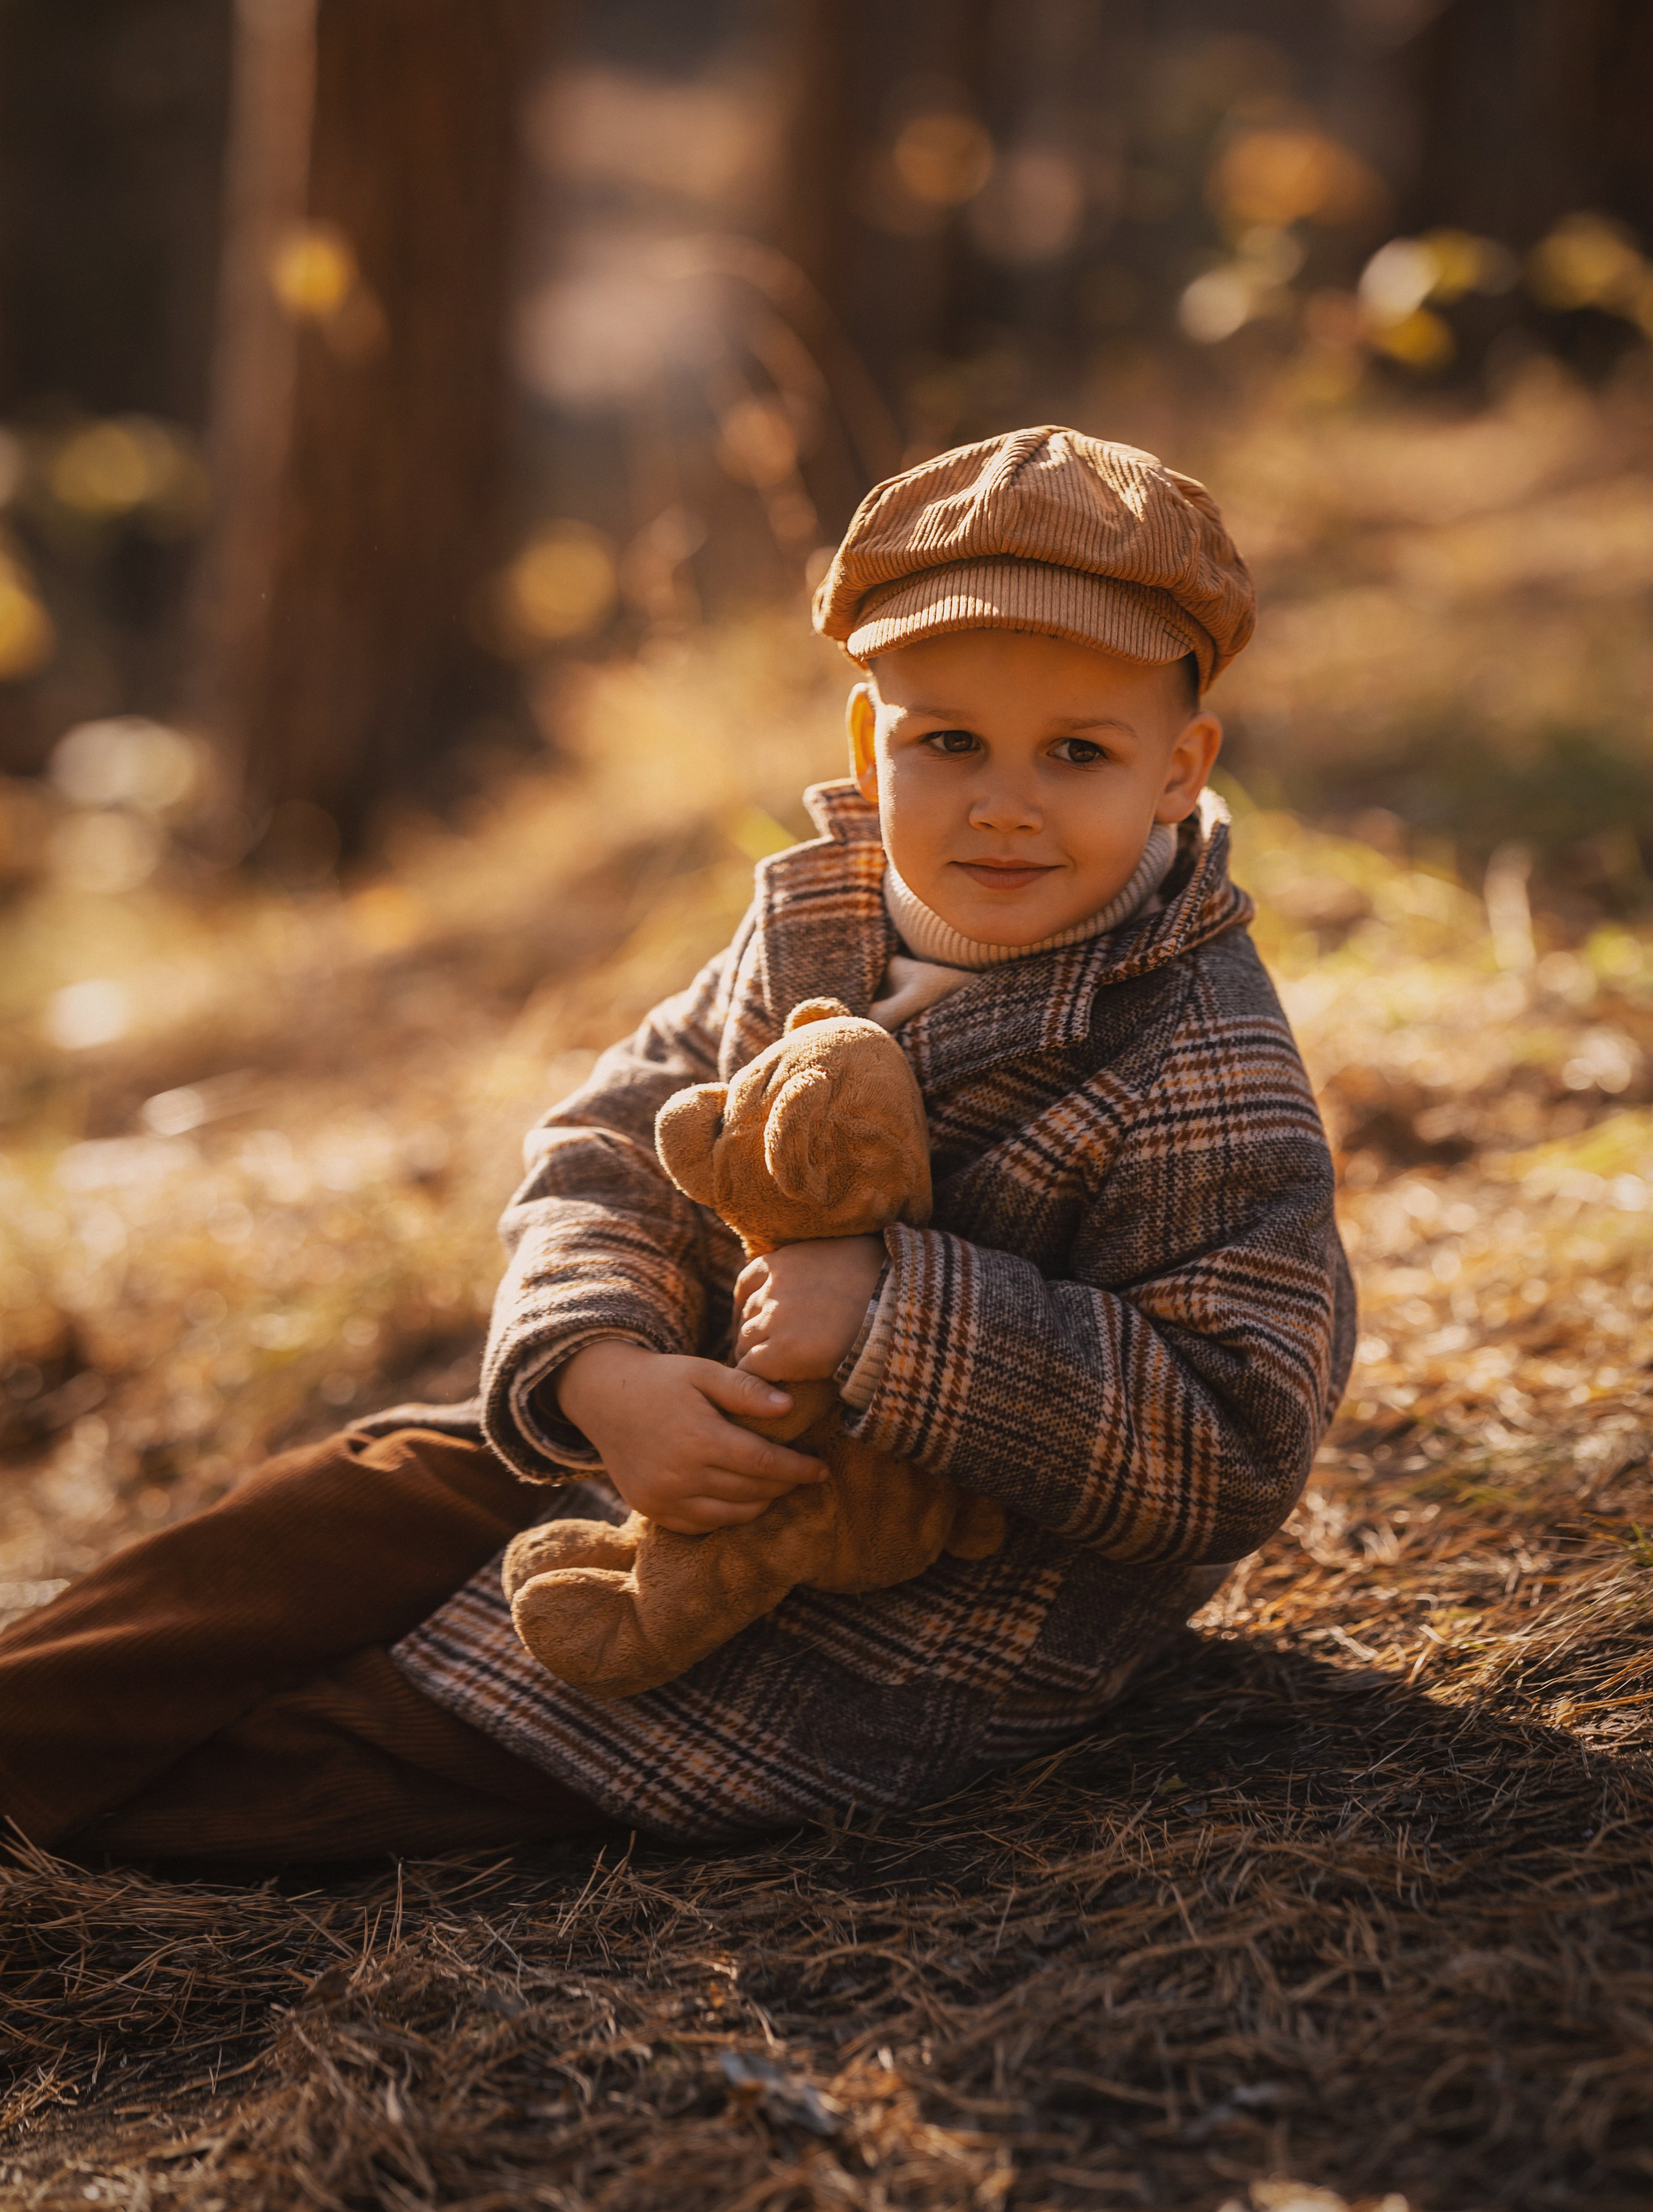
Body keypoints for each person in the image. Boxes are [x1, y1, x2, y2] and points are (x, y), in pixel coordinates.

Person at [0, 425, 1352, 1868]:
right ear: (865, 741)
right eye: (946, 740)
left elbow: (1232, 1434)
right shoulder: (815, 921)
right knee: (351, 1501)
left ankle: (108, 1823)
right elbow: (611, 1141)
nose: (1001, 801)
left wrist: (893, 1314)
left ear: (1175, 768)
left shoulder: (1190, 1054)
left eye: (1075, 752)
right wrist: (604, 1371)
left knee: (383, 1736)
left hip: (907, 1616)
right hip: (676, 1429)